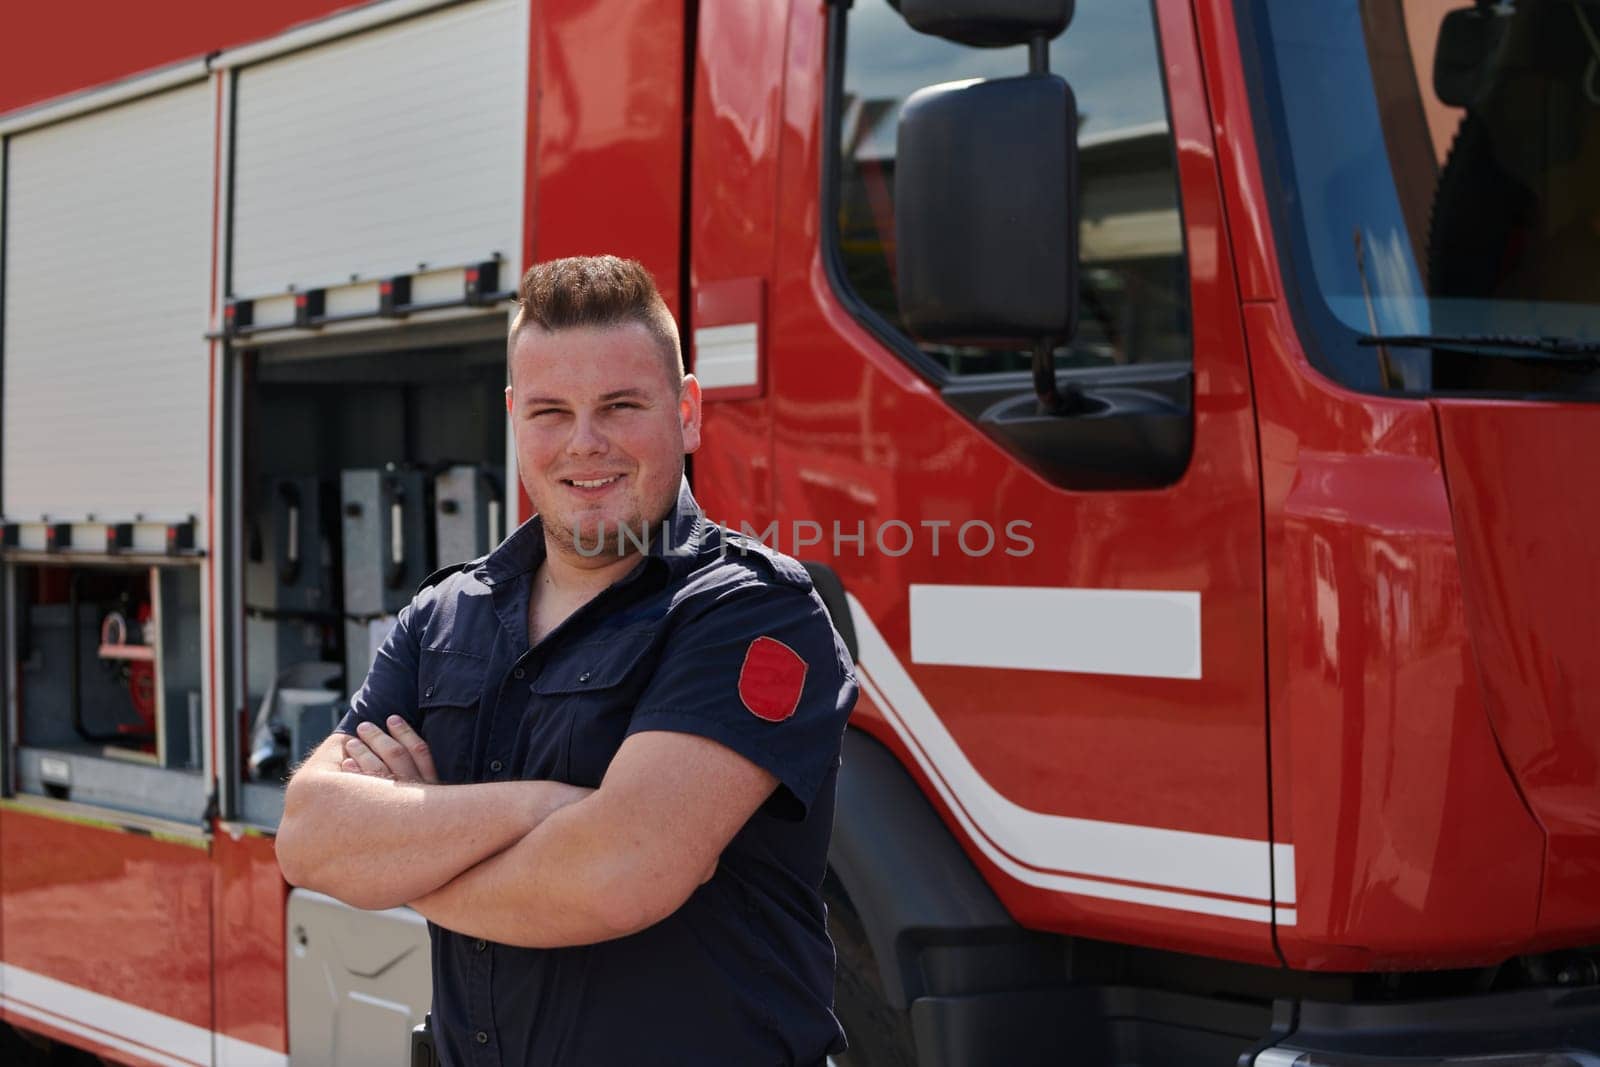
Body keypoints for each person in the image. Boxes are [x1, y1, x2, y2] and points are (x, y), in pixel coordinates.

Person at [275, 256, 859, 1065]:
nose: (586, 444)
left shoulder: (754, 614)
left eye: (621, 405)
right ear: (515, 418)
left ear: (687, 412)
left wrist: (403, 850)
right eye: (551, 411)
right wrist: (550, 808)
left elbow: (620, 874)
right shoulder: (443, 616)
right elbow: (308, 836)